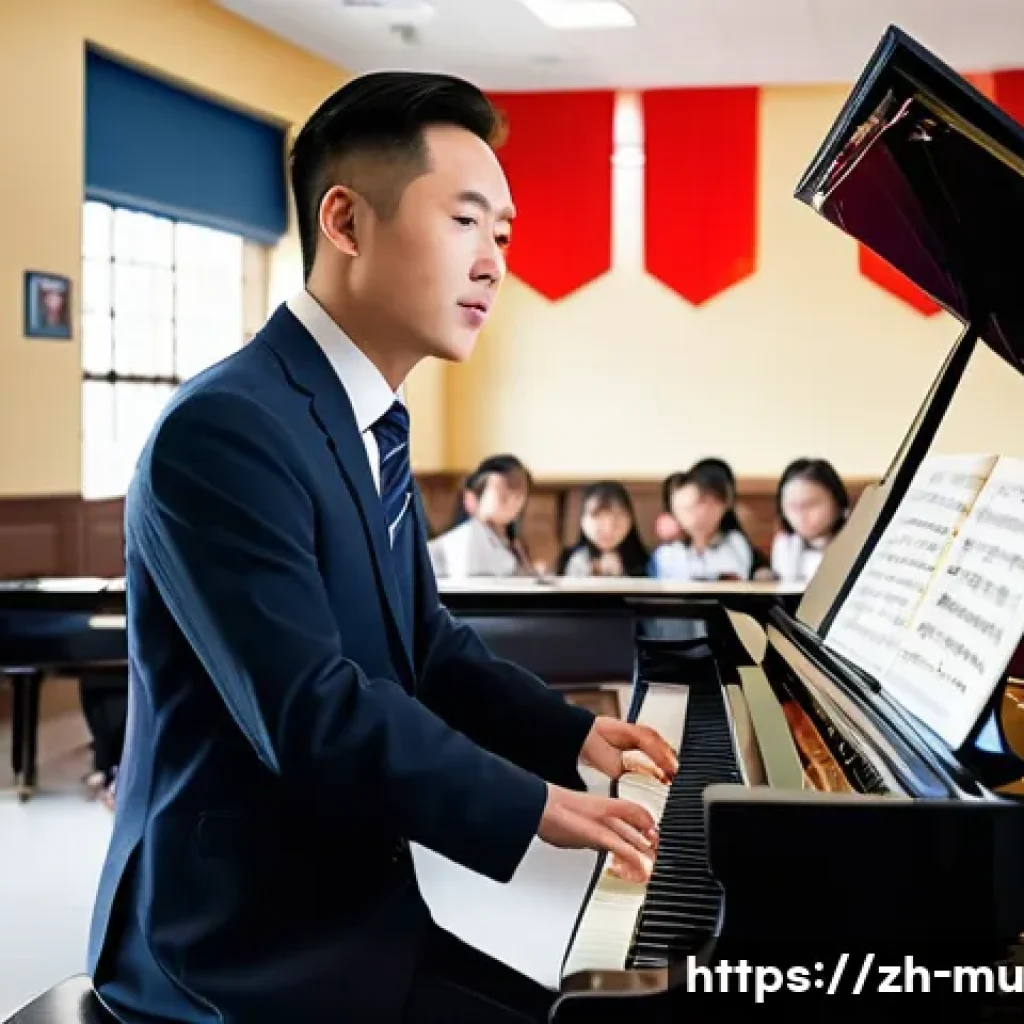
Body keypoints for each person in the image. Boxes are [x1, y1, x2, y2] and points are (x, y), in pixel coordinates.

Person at [86, 71, 677, 1024]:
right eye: (466, 222)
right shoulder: (225, 429)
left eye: (503, 235)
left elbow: (424, 645)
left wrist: (569, 735)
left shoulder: (369, 419)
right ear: (347, 223)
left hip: (354, 906)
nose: (494, 264)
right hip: (234, 941)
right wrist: (534, 804)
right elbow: (312, 713)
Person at [428, 454, 533, 577]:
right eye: (504, 496)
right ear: (471, 499)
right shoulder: (462, 543)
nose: (513, 502)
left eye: (519, 496)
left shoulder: (513, 542)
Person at [648, 464, 754, 580]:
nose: (699, 514)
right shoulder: (668, 553)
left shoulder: (734, 543)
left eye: (703, 502)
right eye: (686, 509)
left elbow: (734, 578)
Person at [769, 458, 849, 583]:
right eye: (792, 506)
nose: (800, 515)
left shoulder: (856, 542)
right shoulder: (785, 544)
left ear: (837, 503)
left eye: (811, 504)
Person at [557, 481, 649, 577]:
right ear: (582, 520)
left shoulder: (647, 563)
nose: (608, 528)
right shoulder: (574, 559)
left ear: (630, 520)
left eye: (617, 517)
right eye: (596, 516)